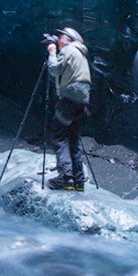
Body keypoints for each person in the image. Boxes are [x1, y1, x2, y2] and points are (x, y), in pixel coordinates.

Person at [45, 25, 91, 191]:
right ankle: (78, 181)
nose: (58, 40)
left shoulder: (68, 49)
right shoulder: (80, 53)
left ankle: (65, 177)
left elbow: (54, 69)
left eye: (61, 37)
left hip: (70, 98)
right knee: (73, 138)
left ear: (69, 39)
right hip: (81, 101)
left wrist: (51, 52)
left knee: (59, 137)